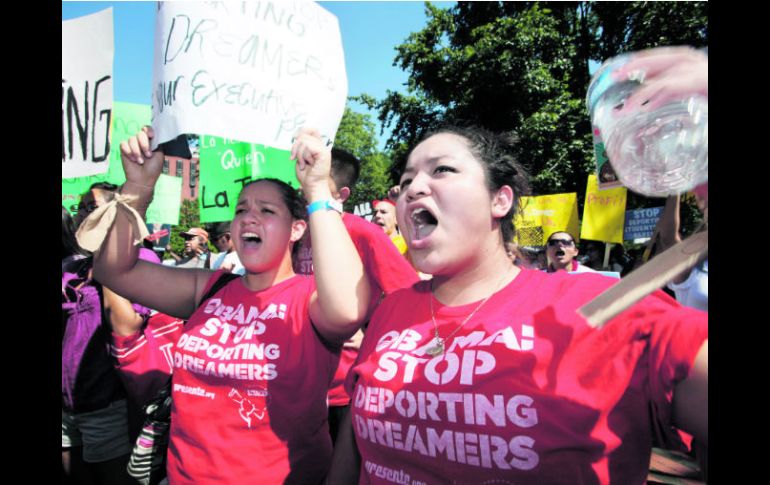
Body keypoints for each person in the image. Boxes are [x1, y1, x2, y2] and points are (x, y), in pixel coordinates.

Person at [328, 124, 707, 485]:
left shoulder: (601, 306)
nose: (412, 189)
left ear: (500, 199)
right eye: (407, 181)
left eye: (441, 170)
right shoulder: (390, 311)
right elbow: (352, 450)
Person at [81, 126, 371, 484]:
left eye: (266, 210)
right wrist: (138, 186)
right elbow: (114, 270)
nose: (248, 217)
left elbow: (347, 311)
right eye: (241, 209)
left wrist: (315, 189)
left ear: (297, 229)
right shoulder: (210, 288)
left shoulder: (310, 299)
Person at [292, 146, 420, 443]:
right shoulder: (295, 234)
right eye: (301, 186)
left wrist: (371, 333)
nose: (305, 193)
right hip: (297, 380)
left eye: (316, 185)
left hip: (345, 387)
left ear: (342, 195)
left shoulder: (363, 232)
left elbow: (408, 295)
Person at [62, 206, 146, 485]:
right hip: (67, 407)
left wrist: (107, 266)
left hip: (106, 404)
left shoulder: (141, 260)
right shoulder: (71, 268)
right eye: (86, 209)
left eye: (99, 209)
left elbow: (127, 324)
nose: (90, 216)